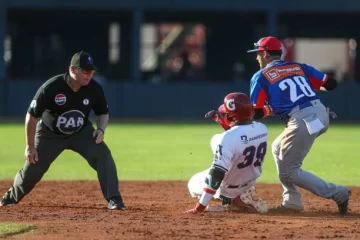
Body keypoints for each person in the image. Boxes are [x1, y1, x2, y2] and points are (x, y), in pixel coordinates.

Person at [0, 51, 125, 210]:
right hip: (49, 133)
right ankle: (11, 196)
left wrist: (101, 129)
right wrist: (30, 146)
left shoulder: (94, 88)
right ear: (73, 70)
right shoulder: (52, 87)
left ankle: (114, 198)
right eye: (85, 71)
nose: (89, 75)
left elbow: (103, 113)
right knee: (33, 170)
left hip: (80, 132)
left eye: (92, 72)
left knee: (103, 154)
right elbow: (31, 116)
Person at [247, 36, 350, 215]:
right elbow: (331, 84)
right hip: (321, 114)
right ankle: (292, 200)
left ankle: (338, 193)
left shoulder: (261, 76)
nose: (257, 58)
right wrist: (310, 90)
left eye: (258, 54)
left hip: (302, 119)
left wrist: (266, 109)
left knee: (289, 172)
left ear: (264, 53)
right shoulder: (300, 67)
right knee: (278, 147)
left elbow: (255, 112)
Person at [185, 92, 269, 214]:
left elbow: (216, 174)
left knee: (193, 182)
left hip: (228, 188)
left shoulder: (221, 139)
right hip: (249, 182)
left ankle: (228, 200)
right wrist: (223, 119)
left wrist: (200, 207)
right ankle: (243, 194)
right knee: (232, 161)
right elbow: (240, 132)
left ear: (231, 115)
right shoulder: (262, 128)